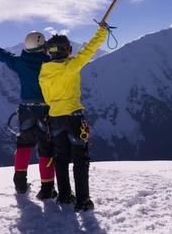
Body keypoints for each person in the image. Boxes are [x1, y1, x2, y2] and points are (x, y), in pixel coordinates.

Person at [39, 22, 109, 212]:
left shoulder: (43, 74)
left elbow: (46, 98)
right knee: (80, 158)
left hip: (54, 119)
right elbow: (88, 51)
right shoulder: (70, 67)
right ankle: (83, 200)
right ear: (66, 50)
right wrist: (102, 32)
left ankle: (64, 196)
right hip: (74, 117)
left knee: (60, 157)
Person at [0, 31, 57, 199]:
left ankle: (20, 183)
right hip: (45, 110)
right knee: (46, 149)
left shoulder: (20, 63)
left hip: (25, 109)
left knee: (23, 145)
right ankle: (47, 188)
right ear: (43, 46)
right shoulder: (50, 64)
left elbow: (6, 57)